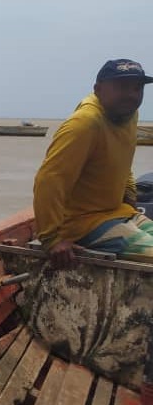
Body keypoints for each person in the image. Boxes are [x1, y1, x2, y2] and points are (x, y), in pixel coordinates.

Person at [34, 58, 153, 269]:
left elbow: (123, 163)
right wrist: (51, 240)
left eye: (137, 88)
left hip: (119, 212)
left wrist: (130, 196)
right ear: (98, 89)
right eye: (121, 87)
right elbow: (49, 181)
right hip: (83, 224)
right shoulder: (85, 123)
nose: (131, 95)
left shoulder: (129, 114)